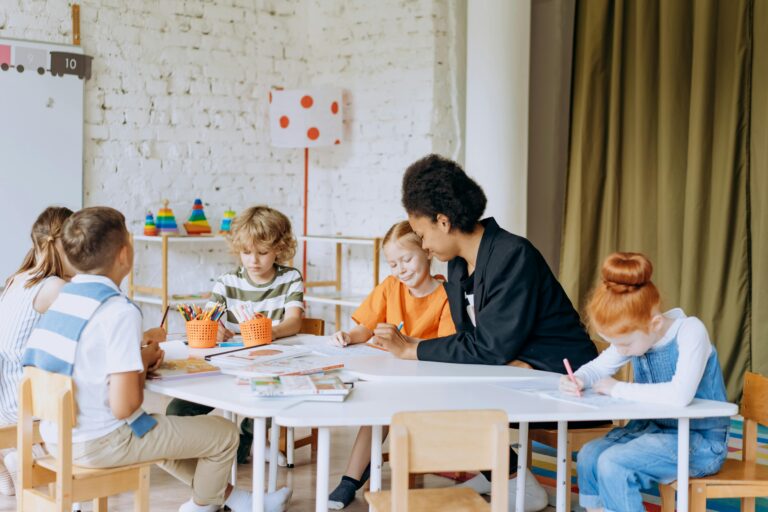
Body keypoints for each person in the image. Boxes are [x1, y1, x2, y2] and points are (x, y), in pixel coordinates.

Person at [23, 206, 291, 512]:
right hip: (99, 442)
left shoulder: (62, 298)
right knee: (225, 434)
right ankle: (203, 506)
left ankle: (241, 501)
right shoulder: (118, 311)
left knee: (157, 431)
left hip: (56, 436)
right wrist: (141, 364)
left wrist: (137, 359)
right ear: (124, 254)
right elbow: (126, 406)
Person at [373, 154, 599, 510]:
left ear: (443, 221)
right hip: (515, 364)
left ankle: (517, 483)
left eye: (421, 234)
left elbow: (490, 346)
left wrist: (414, 349)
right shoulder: (459, 266)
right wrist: (413, 345)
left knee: (448, 387)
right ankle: (502, 471)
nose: (424, 246)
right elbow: (476, 343)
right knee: (442, 377)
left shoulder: (513, 255)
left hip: (565, 374)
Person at [561, 252, 729, 512]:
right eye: (614, 343)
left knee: (613, 463)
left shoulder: (691, 331)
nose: (621, 350)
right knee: (589, 455)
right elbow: (598, 367)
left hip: (699, 442)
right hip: (650, 431)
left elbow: (679, 396)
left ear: (655, 322)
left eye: (624, 343)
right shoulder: (636, 335)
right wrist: (579, 378)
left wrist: (616, 388)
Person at [327, 221, 455, 509]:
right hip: (389, 376)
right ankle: (350, 479)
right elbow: (366, 328)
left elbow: (447, 347)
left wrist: (404, 342)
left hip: (427, 383)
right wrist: (349, 335)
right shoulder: (390, 287)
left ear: (428, 252)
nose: (401, 270)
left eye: (407, 260)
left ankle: (351, 479)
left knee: (385, 408)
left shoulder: (446, 295)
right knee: (378, 407)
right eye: (392, 264)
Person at [166, 205, 304, 465]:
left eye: (263, 253)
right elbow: (209, 321)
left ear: (280, 249)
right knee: (177, 410)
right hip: (227, 368)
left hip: (271, 365)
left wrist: (268, 332)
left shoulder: (290, 278)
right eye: (246, 252)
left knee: (275, 395)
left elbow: (294, 322)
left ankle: (248, 440)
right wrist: (216, 328)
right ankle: (220, 447)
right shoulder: (227, 282)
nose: (254, 260)